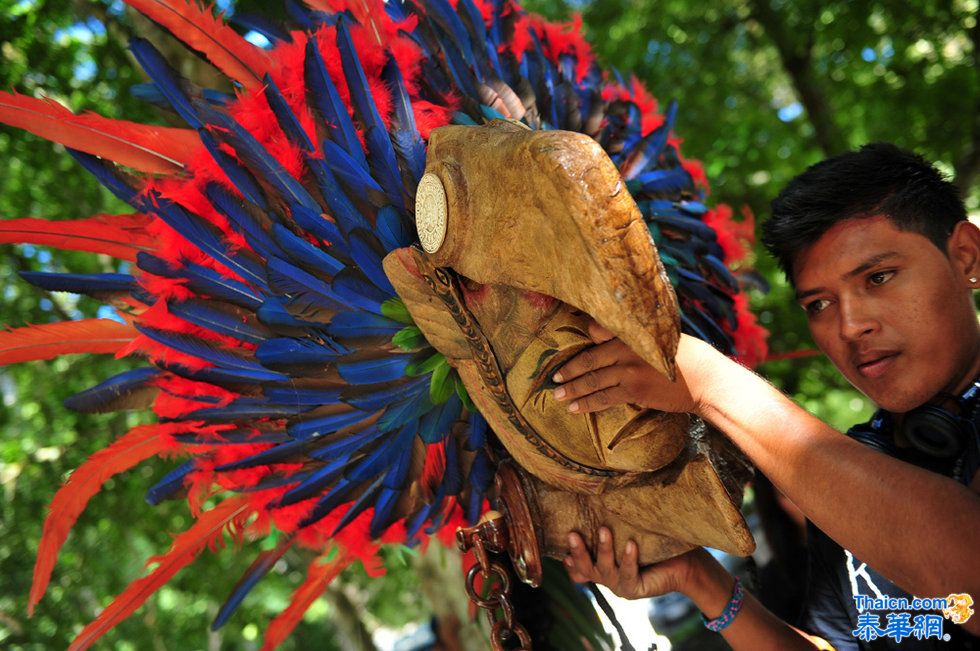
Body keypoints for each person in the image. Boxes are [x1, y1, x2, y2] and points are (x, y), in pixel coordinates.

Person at [553, 143, 980, 650]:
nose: (850, 325)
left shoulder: (830, 473)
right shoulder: (856, 469)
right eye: (819, 303)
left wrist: (715, 386)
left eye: (878, 277)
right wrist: (700, 579)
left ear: (966, 257)